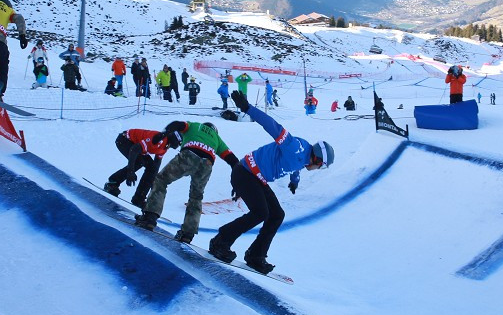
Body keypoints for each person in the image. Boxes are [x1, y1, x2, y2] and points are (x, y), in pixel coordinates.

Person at [208, 90, 334, 274]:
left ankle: (255, 255)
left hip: (257, 178)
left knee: (277, 215)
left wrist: (294, 181)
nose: (318, 169)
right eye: (321, 166)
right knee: (260, 212)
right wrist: (248, 108)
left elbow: (296, 167)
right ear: (318, 160)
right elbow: (272, 126)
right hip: (245, 172)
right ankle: (221, 241)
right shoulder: (295, 147)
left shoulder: (305, 158)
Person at [138, 121, 238, 243]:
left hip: (189, 155)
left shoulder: (195, 125)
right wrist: (237, 182)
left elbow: (177, 124)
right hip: (207, 164)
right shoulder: (217, 139)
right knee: (196, 197)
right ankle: (187, 233)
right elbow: (232, 159)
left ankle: (150, 217)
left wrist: (164, 133)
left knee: (161, 180)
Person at [105, 129, 183, 208]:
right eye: (179, 144)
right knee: (139, 161)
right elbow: (134, 149)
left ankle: (139, 198)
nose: (178, 146)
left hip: (135, 146)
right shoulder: (159, 140)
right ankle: (112, 183)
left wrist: (153, 181)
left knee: (151, 167)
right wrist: (130, 171)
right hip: (124, 140)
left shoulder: (164, 147)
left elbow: (155, 166)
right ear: (175, 140)